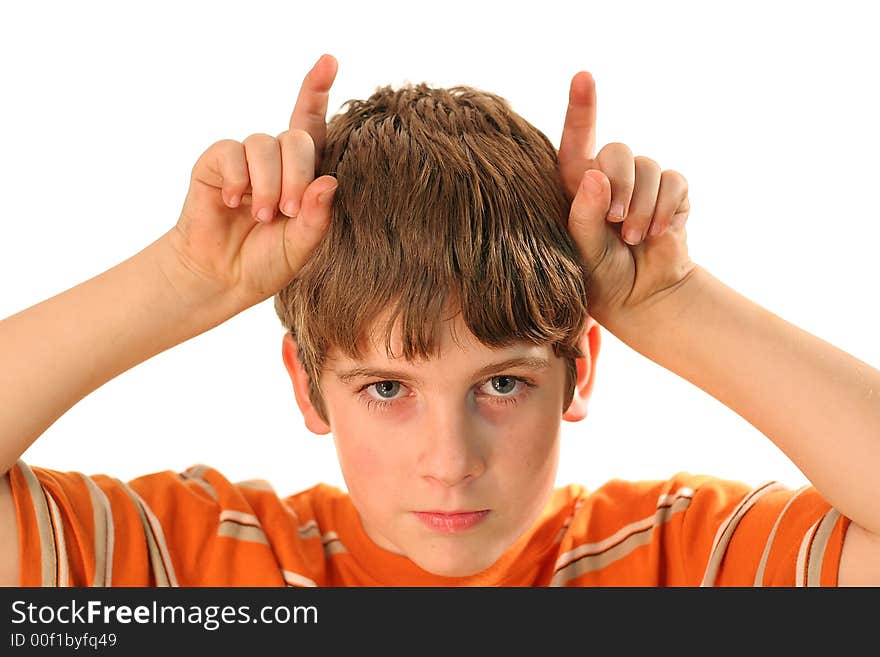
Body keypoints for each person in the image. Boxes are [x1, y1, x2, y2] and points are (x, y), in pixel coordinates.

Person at [0, 53, 877, 587]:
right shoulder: (207, 571)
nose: (450, 462)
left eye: (502, 381)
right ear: (307, 386)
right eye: (387, 387)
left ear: (583, 369)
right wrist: (184, 279)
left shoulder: (684, 561)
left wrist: (672, 304)